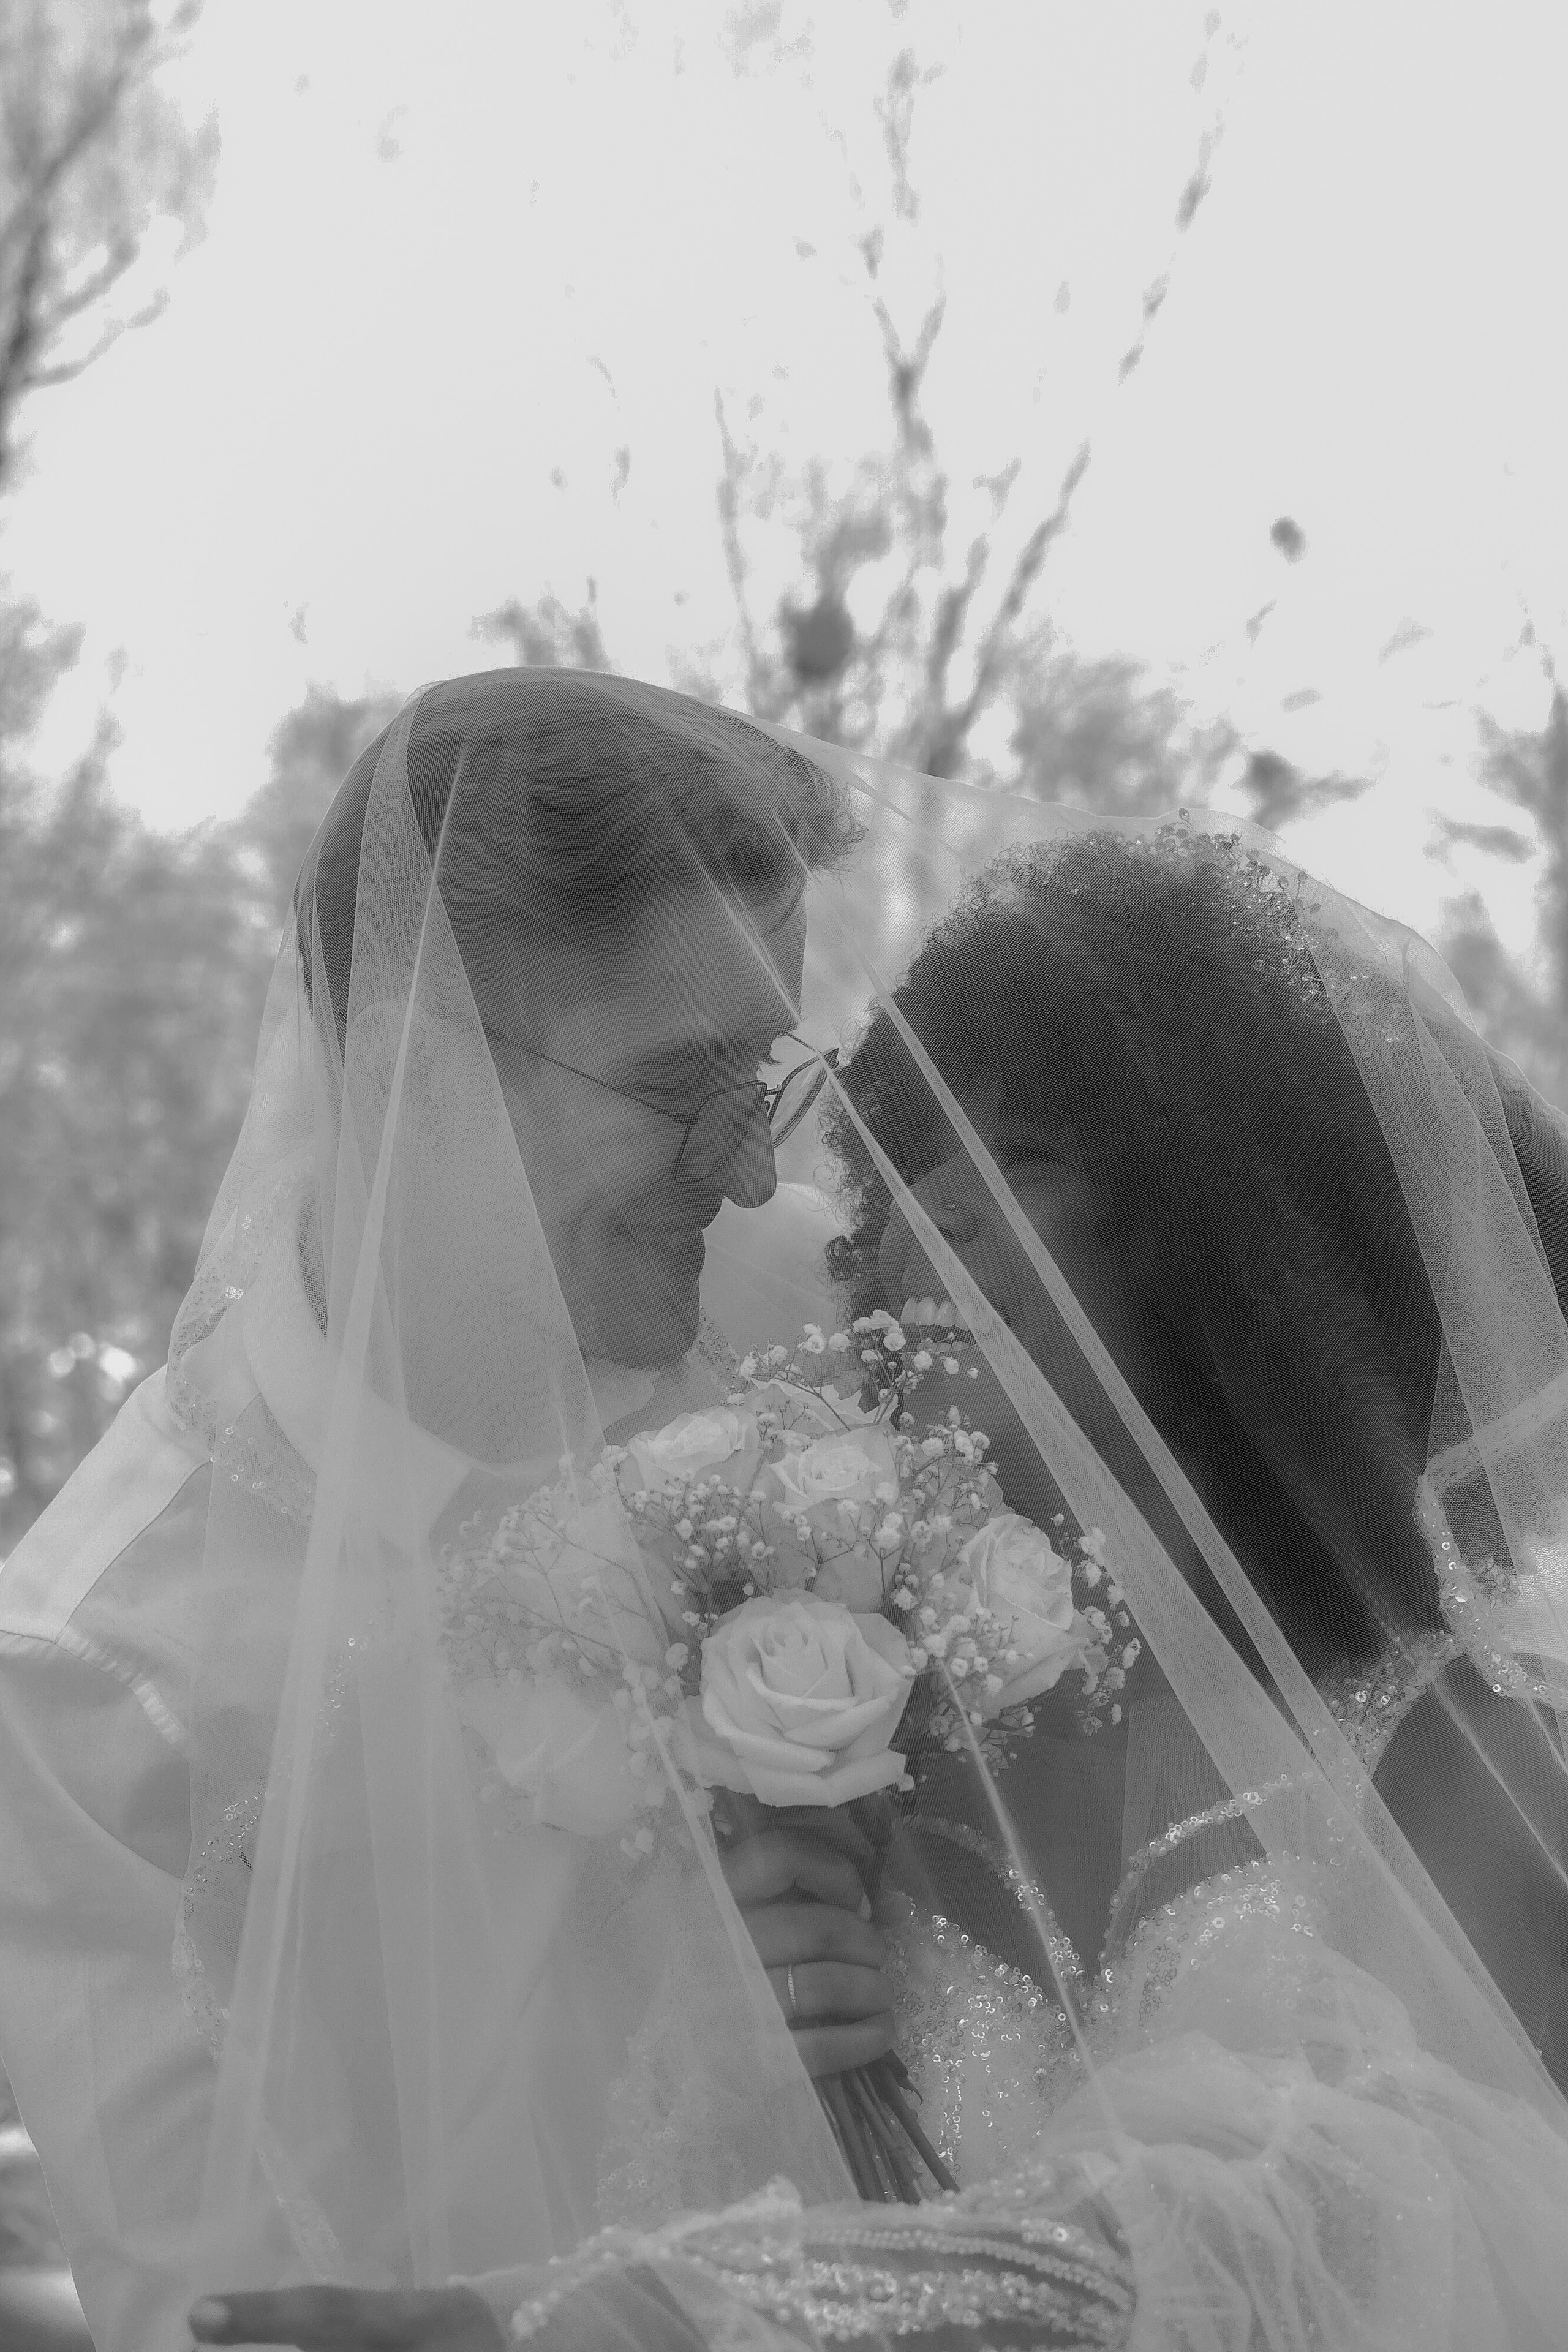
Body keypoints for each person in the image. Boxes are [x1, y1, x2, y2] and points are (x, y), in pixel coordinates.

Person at [170, 745, 1568, 2349]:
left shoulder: (1478, 1758)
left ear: (1242, 1240)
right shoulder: (839, 1760)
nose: (937, 1212)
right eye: (906, 1149)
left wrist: (677, 2314)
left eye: (1029, 1156)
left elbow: (1369, 2217)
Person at [0, 670, 868, 2351]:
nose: (752, 1168)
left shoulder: (821, 1334)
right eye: (680, 1081)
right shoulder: (91, 1682)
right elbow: (235, 2320)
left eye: (766, 1074)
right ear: (426, 1079)